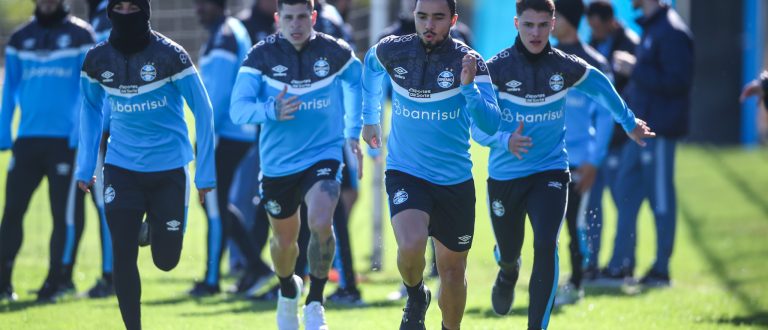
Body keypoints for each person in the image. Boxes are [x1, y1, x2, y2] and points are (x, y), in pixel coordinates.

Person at [471, 0, 654, 328]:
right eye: (529, 25)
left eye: (543, 25)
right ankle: (508, 270)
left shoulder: (564, 66)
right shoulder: (494, 70)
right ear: (516, 24)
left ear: (553, 24)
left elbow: (599, 84)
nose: (536, 32)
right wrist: (504, 140)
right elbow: (477, 127)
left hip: (550, 171)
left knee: (546, 243)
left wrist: (628, 121)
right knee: (511, 251)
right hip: (505, 175)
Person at [75, 0, 216, 328]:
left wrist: (205, 174)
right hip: (121, 169)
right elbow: (90, 108)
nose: (126, 13)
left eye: (133, 6)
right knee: (122, 252)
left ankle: (152, 226)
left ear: (146, 9)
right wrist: (85, 166)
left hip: (169, 170)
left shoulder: (171, 55)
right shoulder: (97, 59)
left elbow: (204, 111)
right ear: (110, 11)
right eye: (119, 6)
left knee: (166, 261)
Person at [361, 0, 501, 328]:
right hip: (406, 171)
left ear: (453, 19)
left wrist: (468, 90)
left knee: (453, 274)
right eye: (422, 16)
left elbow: (492, 123)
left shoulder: (470, 61)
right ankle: (415, 296)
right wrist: (370, 119)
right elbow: (369, 64)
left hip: (454, 181)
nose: (429, 25)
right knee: (410, 247)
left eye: (438, 18)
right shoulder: (394, 49)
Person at [229, 0, 363, 328]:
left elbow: (357, 83)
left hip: (323, 154)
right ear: (278, 19)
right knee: (284, 243)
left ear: (314, 17)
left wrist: (354, 132)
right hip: (278, 164)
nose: (296, 24)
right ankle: (289, 289)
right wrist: (269, 111)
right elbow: (238, 109)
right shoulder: (261, 56)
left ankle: (316, 302)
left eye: (303, 16)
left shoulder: (335, 52)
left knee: (321, 221)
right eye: (289, 17)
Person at [0, 0, 94, 303]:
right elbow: (9, 89)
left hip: (65, 144)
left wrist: (78, 134)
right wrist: (4, 131)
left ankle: (56, 282)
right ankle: (3, 282)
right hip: (27, 141)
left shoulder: (82, 36)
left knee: (64, 216)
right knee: (12, 212)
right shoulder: (19, 38)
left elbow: (88, 89)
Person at [601, 0, 693, 287]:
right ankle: (621, 265)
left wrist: (634, 67)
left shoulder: (672, 30)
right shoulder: (653, 28)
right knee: (625, 194)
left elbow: (679, 82)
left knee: (661, 200)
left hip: (660, 132)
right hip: (640, 131)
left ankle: (661, 270)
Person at [188, 0, 266, 297]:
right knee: (214, 203)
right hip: (233, 131)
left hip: (226, 132)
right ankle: (255, 265)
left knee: (213, 202)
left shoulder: (225, 34)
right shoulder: (225, 31)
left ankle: (212, 279)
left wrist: (206, 135)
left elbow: (217, 96)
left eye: (202, 5)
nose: (197, 10)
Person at [550, 0, 614, 306]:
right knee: (542, 226)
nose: (549, 23)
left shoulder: (593, 62)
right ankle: (545, 280)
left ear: (570, 21)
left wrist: (594, 160)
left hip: (577, 160)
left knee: (574, 224)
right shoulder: (541, 57)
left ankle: (576, 282)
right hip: (543, 159)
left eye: (554, 17)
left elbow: (604, 116)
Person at [582, 0, 640, 281]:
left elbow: (635, 89)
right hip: (596, 141)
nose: (596, 32)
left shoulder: (630, 43)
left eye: (598, 26)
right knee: (591, 205)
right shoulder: (591, 44)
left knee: (623, 203)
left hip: (620, 139)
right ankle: (590, 263)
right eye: (591, 27)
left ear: (611, 22)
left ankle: (625, 262)